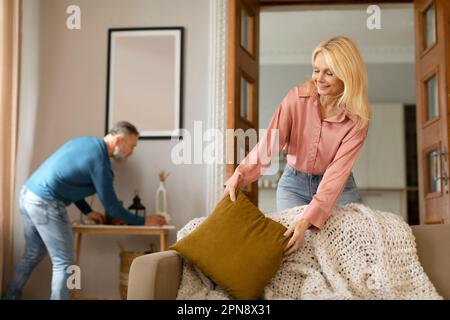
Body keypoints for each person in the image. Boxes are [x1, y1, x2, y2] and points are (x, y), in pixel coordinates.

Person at [221, 36, 371, 256]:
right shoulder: (296, 99)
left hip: (338, 188)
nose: (319, 78)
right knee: (293, 247)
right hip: (294, 184)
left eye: (329, 72)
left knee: (346, 248)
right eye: (316, 70)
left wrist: (307, 221)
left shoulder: (357, 121)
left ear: (347, 75)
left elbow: (336, 176)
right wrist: (239, 177)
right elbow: (268, 145)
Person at [3, 121, 166, 300]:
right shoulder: (100, 163)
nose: (131, 152)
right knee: (64, 261)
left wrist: (87, 211)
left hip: (28, 194)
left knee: (33, 253)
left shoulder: (84, 143)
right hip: (45, 202)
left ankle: (10, 296)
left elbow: (67, 183)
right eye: (132, 146)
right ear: (118, 140)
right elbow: (112, 207)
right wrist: (144, 221)